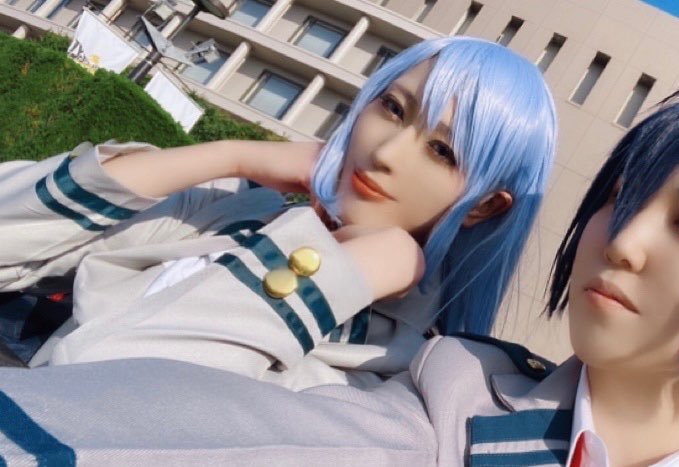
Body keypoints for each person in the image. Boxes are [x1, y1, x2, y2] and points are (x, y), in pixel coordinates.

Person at [0, 80, 679, 466]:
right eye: (620, 198)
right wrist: (233, 168)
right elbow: (127, 415)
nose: (621, 241)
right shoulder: (444, 398)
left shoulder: (410, 345)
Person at [0, 36, 557, 389]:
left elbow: (94, 394)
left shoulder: (399, 366)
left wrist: (334, 272)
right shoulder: (240, 207)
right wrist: (228, 154)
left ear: (485, 206)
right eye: (392, 107)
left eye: (441, 151)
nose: (386, 153)